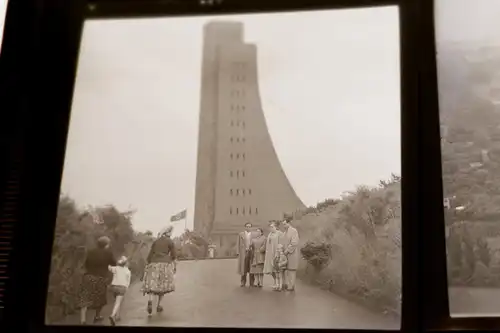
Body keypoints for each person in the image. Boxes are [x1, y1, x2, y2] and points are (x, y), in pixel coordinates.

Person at [78, 236, 117, 325]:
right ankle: (97, 316)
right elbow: (114, 263)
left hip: (88, 276)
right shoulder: (108, 253)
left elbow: (86, 264)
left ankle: (82, 320)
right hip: (100, 278)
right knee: (100, 298)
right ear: (106, 245)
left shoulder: (90, 252)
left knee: (85, 298)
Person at [142, 225, 177, 316]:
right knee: (162, 286)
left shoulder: (156, 241)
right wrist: (173, 263)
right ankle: (159, 305)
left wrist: (149, 263)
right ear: (168, 233)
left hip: (153, 264)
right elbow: (173, 255)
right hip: (165, 265)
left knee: (152, 285)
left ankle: (150, 301)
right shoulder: (170, 241)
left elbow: (150, 254)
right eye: (170, 233)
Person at [108, 256, 131, 326]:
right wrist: (126, 288)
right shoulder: (128, 271)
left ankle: (117, 316)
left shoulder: (115, 268)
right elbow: (128, 282)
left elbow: (109, 268)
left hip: (114, 287)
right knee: (118, 302)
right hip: (122, 288)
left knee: (116, 301)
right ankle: (112, 315)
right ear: (126, 263)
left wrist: (108, 262)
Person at [263, 221, 284, 289]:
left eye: (272, 227)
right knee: (271, 269)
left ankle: (280, 284)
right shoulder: (270, 234)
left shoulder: (279, 233)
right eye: (270, 227)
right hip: (269, 253)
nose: (271, 228)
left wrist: (278, 253)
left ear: (276, 227)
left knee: (277, 269)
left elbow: (281, 244)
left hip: (276, 253)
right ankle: (275, 282)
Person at [282, 219, 300, 291]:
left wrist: (287, 251)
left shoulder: (293, 231)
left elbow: (294, 243)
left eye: (285, 224)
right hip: (285, 254)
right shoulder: (284, 233)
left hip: (291, 253)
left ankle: (291, 285)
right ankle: (285, 284)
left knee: (291, 269)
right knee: (284, 269)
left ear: (289, 223)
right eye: (283, 224)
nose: (284, 225)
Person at [236, 222, 255, 287]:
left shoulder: (253, 235)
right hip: (244, 252)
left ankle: (252, 282)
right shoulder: (241, 234)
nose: (248, 227)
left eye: (249, 226)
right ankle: (243, 282)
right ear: (245, 227)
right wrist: (238, 252)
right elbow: (238, 243)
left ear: (251, 227)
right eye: (247, 226)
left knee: (251, 267)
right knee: (243, 267)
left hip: (251, 252)